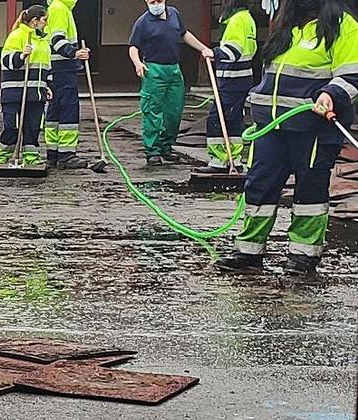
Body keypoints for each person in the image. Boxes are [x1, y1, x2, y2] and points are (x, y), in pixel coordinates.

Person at [216, 0, 358, 277]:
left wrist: (330, 95)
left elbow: (351, 74)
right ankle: (249, 251)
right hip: (271, 126)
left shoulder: (343, 25)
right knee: (260, 185)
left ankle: (303, 255)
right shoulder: (286, 25)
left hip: (313, 126)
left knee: (310, 190)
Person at [128, 0, 215, 166]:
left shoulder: (174, 14)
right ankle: (152, 151)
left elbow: (184, 34)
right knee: (152, 111)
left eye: (159, 0)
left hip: (174, 69)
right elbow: (133, 46)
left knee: (174, 112)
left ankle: (166, 147)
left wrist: (203, 48)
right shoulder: (143, 22)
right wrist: (138, 63)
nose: (156, 4)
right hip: (153, 69)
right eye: (152, 1)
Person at [196, 0, 259, 173]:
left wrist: (214, 53)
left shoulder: (237, 20)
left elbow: (233, 50)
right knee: (234, 118)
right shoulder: (248, 18)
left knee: (218, 118)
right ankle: (234, 158)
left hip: (232, 80)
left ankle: (219, 161)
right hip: (241, 79)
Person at [0, 5, 52, 167]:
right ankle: (2, 154)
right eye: (44, 20)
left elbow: (46, 67)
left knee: (33, 127)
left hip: (36, 93)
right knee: (13, 127)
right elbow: (6, 61)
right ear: (34, 21)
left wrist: (48, 86)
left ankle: (31, 156)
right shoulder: (17, 36)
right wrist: (22, 55)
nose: (46, 24)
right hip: (15, 92)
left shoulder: (43, 41)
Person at [44, 0, 92, 169]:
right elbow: (57, 40)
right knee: (68, 111)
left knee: (54, 112)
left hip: (54, 69)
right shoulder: (60, 8)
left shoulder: (55, 7)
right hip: (63, 70)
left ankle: (53, 153)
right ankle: (66, 155)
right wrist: (74, 53)